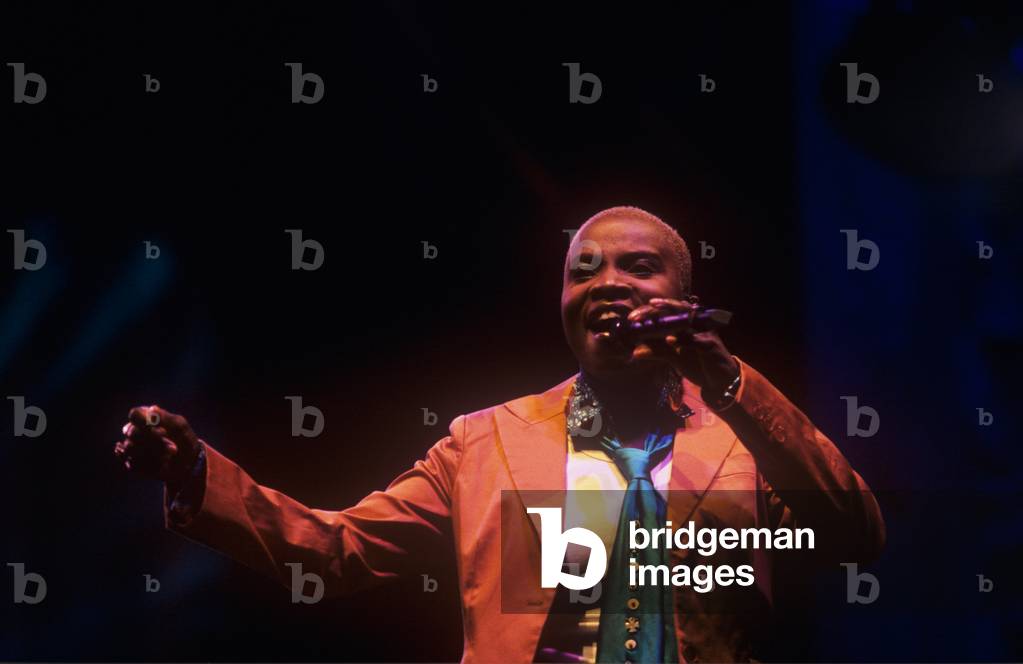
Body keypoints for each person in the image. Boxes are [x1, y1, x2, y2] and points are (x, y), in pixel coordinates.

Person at [114, 206, 884, 663]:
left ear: (685, 300)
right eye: (583, 270)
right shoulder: (485, 441)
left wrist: (728, 380)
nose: (608, 282)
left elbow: (852, 535)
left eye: (638, 267)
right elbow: (332, 551)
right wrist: (192, 473)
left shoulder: (745, 438)